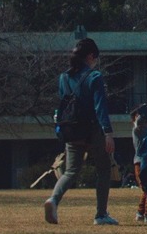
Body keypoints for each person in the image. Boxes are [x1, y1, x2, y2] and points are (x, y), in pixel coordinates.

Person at [44, 38, 118, 226]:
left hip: (72, 129)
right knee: (103, 170)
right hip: (93, 129)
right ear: (91, 56)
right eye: (95, 58)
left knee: (70, 171)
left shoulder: (64, 78)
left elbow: (63, 104)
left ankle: (53, 199)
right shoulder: (95, 76)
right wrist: (108, 132)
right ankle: (101, 214)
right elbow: (100, 107)